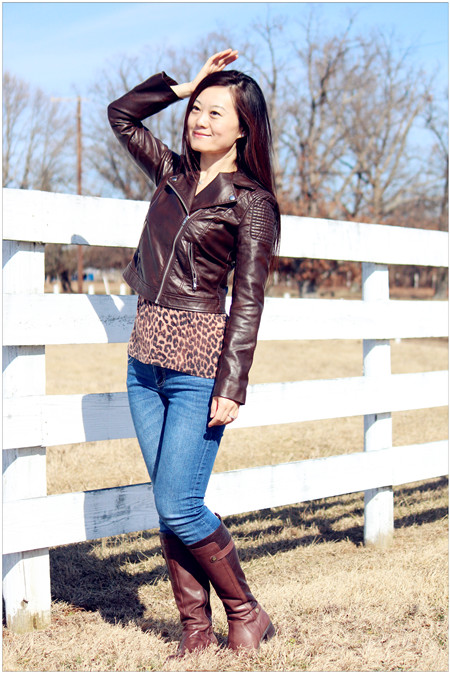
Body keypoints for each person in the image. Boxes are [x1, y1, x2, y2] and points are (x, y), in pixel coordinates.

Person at [107, 48, 280, 657]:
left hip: (199, 369)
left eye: (215, 112)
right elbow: (122, 115)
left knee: (180, 503)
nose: (199, 120)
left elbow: (249, 300)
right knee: (168, 503)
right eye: (196, 110)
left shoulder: (251, 203)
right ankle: (196, 631)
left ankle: (247, 612)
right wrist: (182, 87)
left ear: (244, 128)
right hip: (144, 362)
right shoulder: (171, 173)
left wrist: (232, 385)